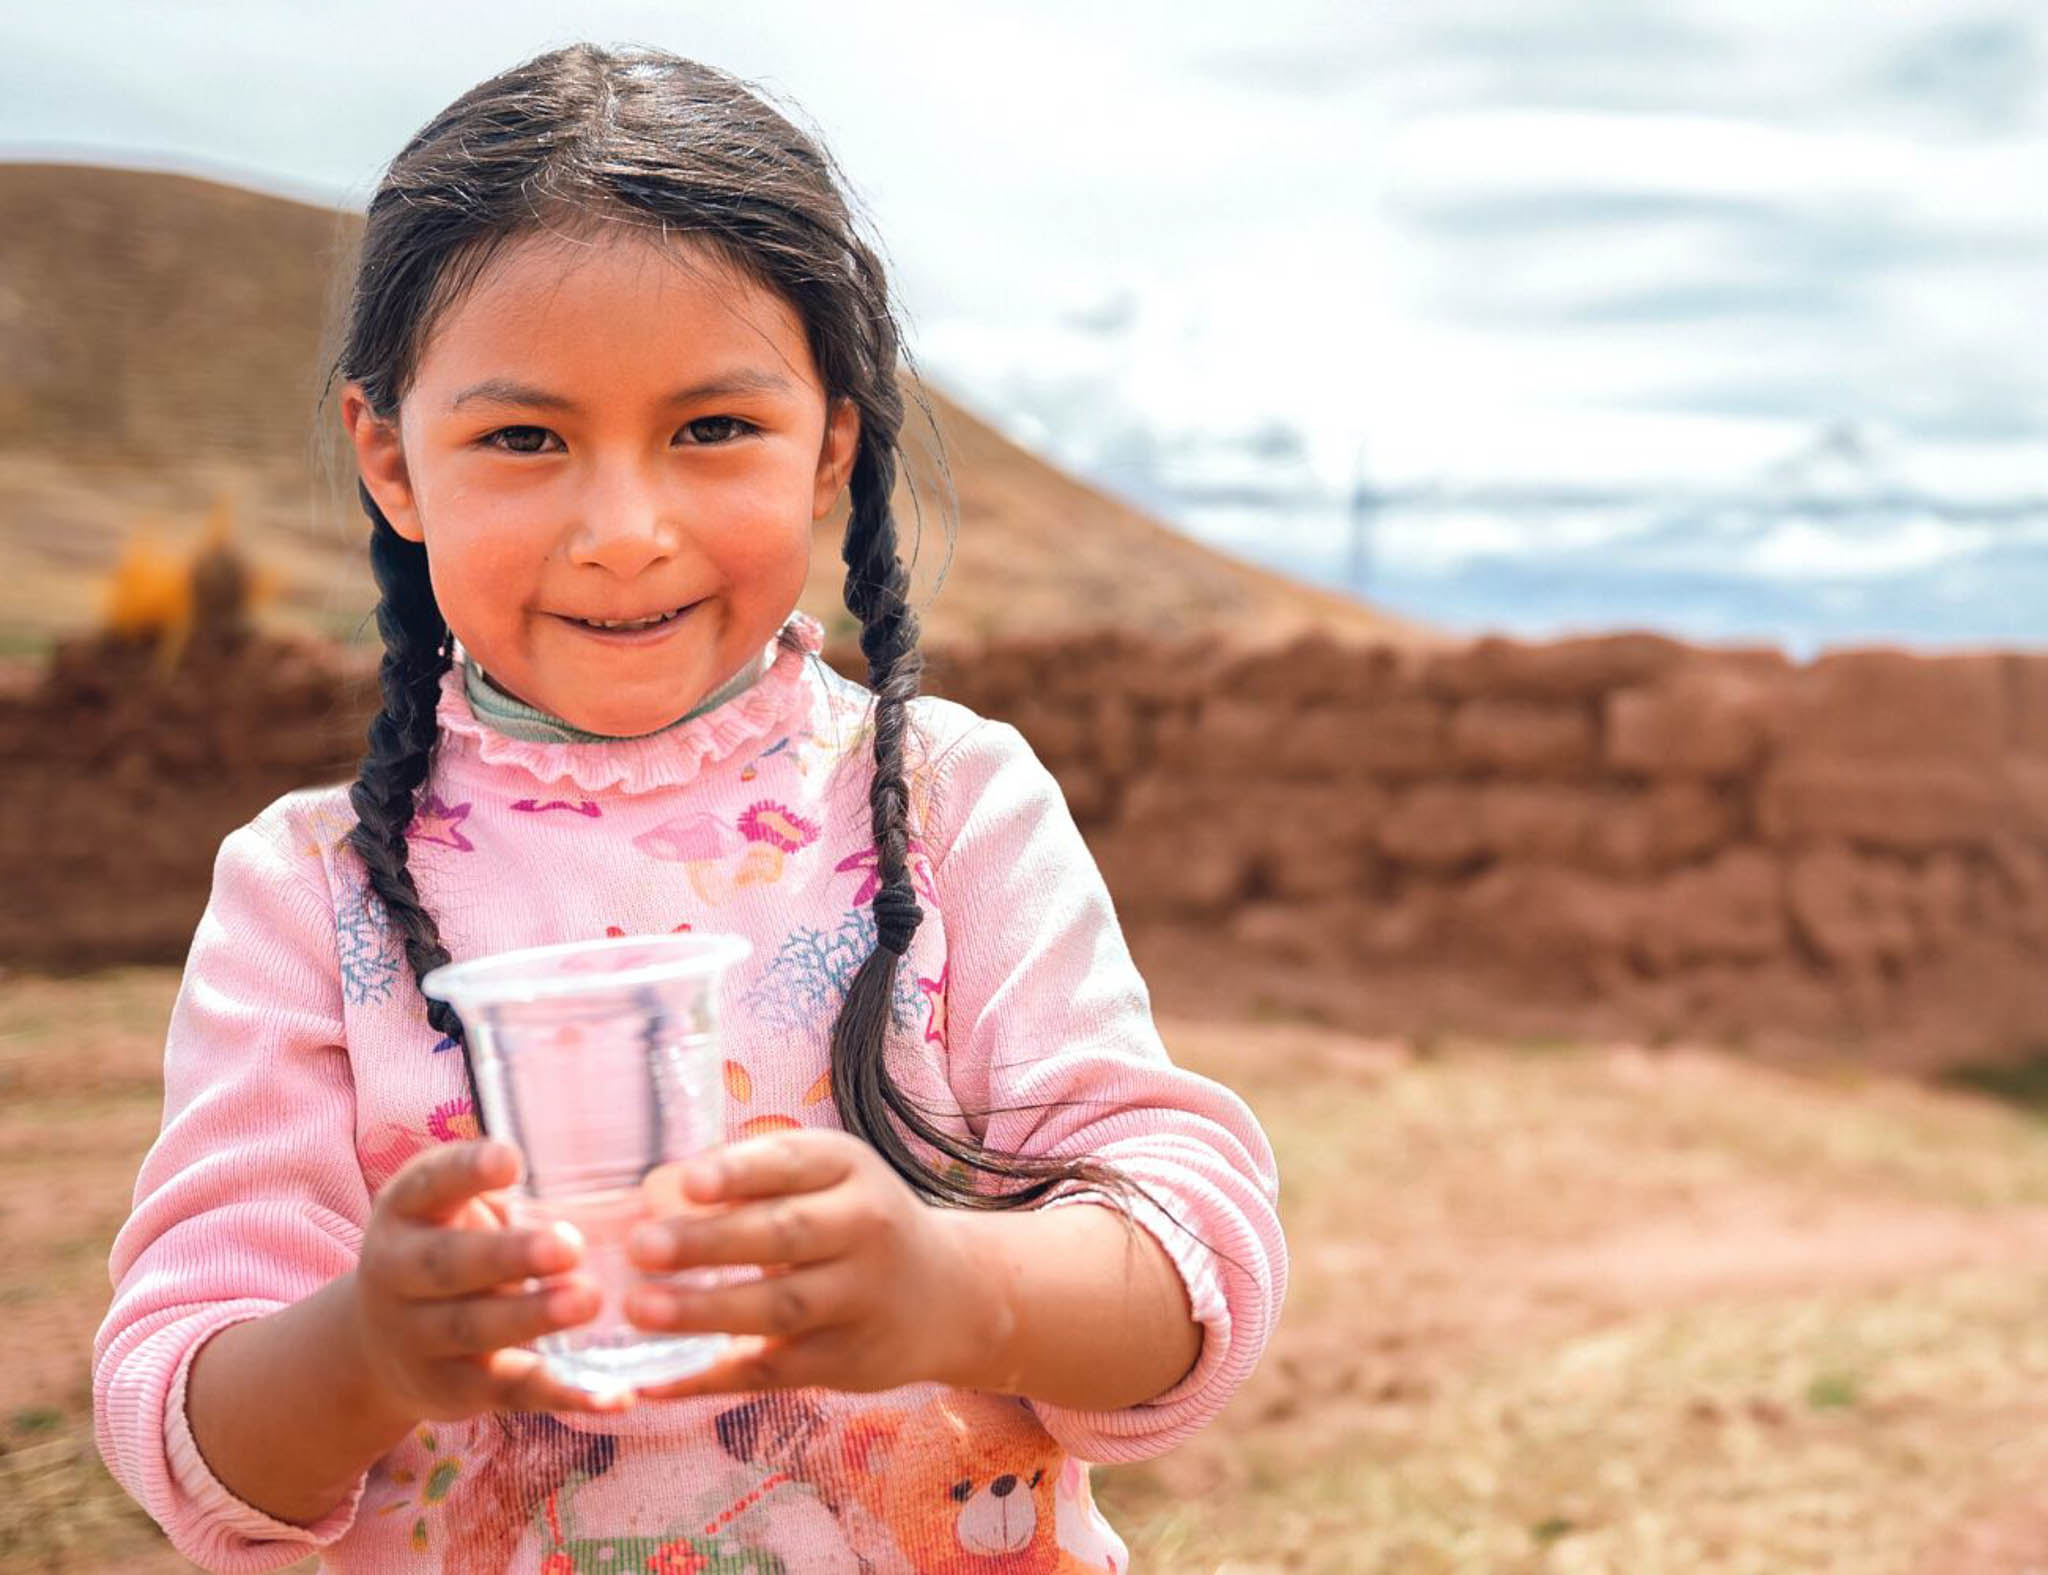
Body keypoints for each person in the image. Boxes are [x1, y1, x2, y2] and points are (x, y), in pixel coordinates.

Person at [94, 41, 1286, 1575]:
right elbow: (186, 1431)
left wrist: (953, 1289)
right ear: (392, 460)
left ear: (830, 447)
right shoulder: (308, 892)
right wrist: (368, 1351)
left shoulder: (955, 806)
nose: (624, 532)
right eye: (524, 439)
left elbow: (1197, 1266)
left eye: (711, 428)